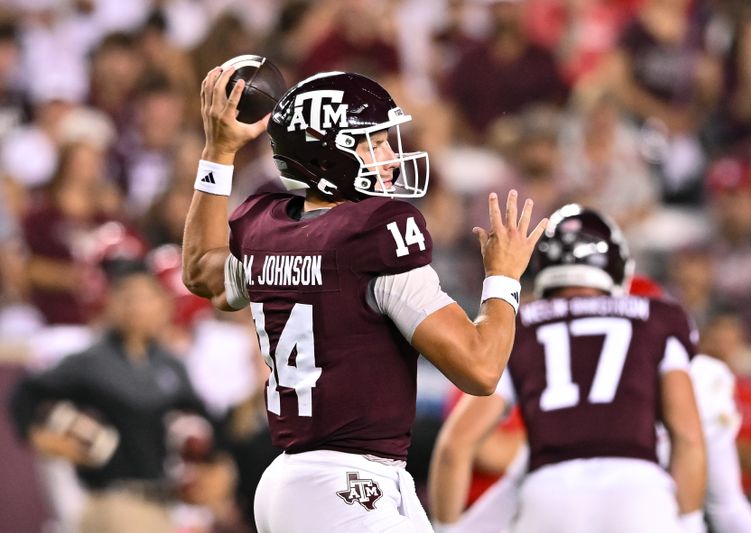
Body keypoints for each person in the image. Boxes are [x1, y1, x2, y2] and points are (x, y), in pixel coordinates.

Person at [181, 66, 548, 533]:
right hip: (348, 485)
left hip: (297, 480)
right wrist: (503, 278)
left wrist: (218, 151)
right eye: (373, 143)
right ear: (329, 155)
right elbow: (480, 368)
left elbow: (200, 271)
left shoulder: (269, 228)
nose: (392, 157)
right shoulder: (374, 234)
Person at [428, 204, 707, 533]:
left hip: (550, 495)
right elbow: (687, 435)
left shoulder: (522, 328)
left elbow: (455, 445)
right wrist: (689, 522)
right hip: (640, 492)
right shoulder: (659, 318)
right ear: (618, 267)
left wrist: (446, 529)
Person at [9, 262, 235, 533]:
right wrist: (44, 438)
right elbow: (23, 396)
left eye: (145, 297)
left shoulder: (169, 364)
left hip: (162, 502)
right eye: (127, 296)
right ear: (110, 302)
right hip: (111, 502)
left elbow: (205, 421)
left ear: (163, 304)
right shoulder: (89, 361)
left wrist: (219, 466)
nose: (136, 306)